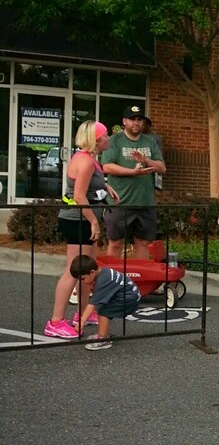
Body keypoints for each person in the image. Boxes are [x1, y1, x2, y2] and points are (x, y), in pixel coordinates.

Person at [44, 121, 118, 339]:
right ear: (96, 140)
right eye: (106, 135)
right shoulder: (85, 161)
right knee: (73, 271)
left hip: (84, 219)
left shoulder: (90, 159)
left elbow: (89, 184)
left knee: (88, 269)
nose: (109, 139)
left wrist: (105, 186)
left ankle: (83, 313)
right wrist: (93, 222)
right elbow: (78, 196)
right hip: (77, 220)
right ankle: (55, 322)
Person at [101, 104, 166, 259]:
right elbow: (106, 166)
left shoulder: (149, 141)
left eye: (139, 119)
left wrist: (146, 160)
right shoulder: (115, 140)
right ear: (124, 121)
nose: (136, 123)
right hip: (119, 203)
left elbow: (162, 168)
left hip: (145, 203)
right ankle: (113, 275)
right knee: (116, 243)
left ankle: (138, 275)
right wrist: (132, 172)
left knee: (143, 243)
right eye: (132, 119)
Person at [69, 253, 142, 350]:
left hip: (129, 299)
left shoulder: (103, 280)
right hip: (129, 295)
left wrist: (81, 322)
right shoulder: (103, 272)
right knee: (102, 308)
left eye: (83, 279)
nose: (83, 281)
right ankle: (103, 334)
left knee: (103, 311)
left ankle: (103, 339)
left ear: (92, 272)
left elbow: (92, 304)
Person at [141, 116, 163, 191]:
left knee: (155, 186)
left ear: (148, 126)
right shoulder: (138, 136)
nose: (141, 127)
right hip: (141, 163)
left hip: (152, 163)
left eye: (143, 125)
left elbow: (160, 152)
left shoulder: (155, 138)